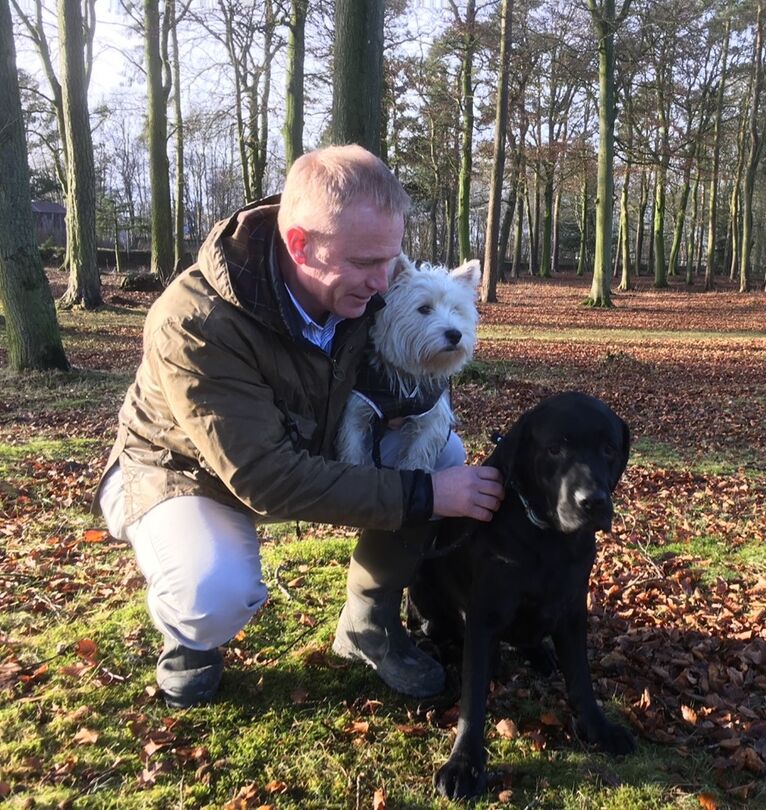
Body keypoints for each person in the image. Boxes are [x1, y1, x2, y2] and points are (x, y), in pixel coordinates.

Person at [93, 144, 504, 708]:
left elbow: (418, 367)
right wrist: (423, 494)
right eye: (364, 263)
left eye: (389, 259)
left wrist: (426, 437)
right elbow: (265, 477)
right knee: (216, 593)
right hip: (182, 468)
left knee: (443, 454)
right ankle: (190, 638)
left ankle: (368, 622)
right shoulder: (196, 321)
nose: (383, 282)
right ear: (299, 245)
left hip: (308, 442)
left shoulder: (370, 293)